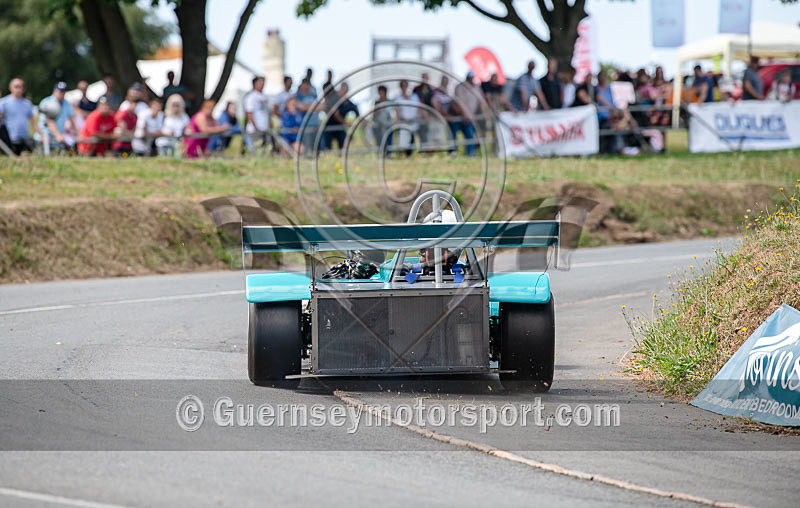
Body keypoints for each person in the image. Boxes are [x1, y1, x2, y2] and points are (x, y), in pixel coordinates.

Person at [0, 78, 40, 155]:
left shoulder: (27, 103)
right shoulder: (3, 103)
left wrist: (40, 135)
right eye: (16, 87)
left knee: (36, 151)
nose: (18, 89)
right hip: (10, 140)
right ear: (10, 88)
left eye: (20, 87)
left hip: (25, 139)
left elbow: (33, 121)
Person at [451, 72, 484, 157]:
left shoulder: (476, 87)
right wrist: (464, 114)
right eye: (469, 78)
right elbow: (458, 102)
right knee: (454, 136)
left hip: (471, 117)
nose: (471, 80)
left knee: (471, 136)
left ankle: (471, 155)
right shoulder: (459, 87)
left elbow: (481, 101)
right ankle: (453, 155)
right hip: (458, 117)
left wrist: (484, 113)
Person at [38, 82, 76, 151]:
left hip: (59, 139)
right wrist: (58, 135)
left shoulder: (66, 103)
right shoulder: (47, 102)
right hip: (45, 138)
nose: (62, 94)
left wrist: (77, 133)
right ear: (54, 91)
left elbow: (72, 118)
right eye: (60, 91)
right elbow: (49, 121)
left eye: (64, 91)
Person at [326, 82, 359, 150]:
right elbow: (336, 114)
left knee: (342, 147)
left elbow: (357, 114)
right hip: (330, 127)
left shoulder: (349, 103)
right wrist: (346, 123)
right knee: (327, 148)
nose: (340, 92)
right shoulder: (334, 99)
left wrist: (363, 123)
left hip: (340, 128)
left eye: (343, 91)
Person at [392, 79, 421, 156]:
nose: (404, 87)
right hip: (403, 123)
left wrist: (418, 118)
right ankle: (401, 155)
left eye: (405, 85)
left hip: (414, 123)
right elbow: (396, 111)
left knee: (413, 140)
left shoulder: (414, 97)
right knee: (402, 141)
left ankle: (411, 155)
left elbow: (419, 109)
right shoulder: (397, 98)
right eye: (403, 85)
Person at [243, 76, 270, 153]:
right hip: (254, 131)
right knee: (255, 152)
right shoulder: (251, 97)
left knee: (264, 152)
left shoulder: (264, 96)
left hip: (264, 129)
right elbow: (249, 113)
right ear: (254, 83)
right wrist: (256, 128)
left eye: (263, 82)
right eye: (260, 82)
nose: (262, 84)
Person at [295, 79, 320, 152]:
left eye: (308, 84)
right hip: (306, 126)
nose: (307, 86)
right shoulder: (297, 96)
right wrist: (314, 107)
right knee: (308, 150)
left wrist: (307, 107)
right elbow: (300, 107)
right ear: (301, 85)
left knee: (318, 150)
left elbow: (323, 106)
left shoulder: (313, 95)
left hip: (317, 125)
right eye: (305, 84)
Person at [372, 85, 392, 152]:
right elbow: (373, 116)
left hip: (388, 125)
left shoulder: (390, 102)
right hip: (379, 126)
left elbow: (393, 113)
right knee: (379, 142)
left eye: (382, 92)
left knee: (388, 142)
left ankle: (388, 154)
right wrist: (378, 109)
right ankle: (381, 154)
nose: (380, 94)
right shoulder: (377, 103)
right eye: (379, 93)